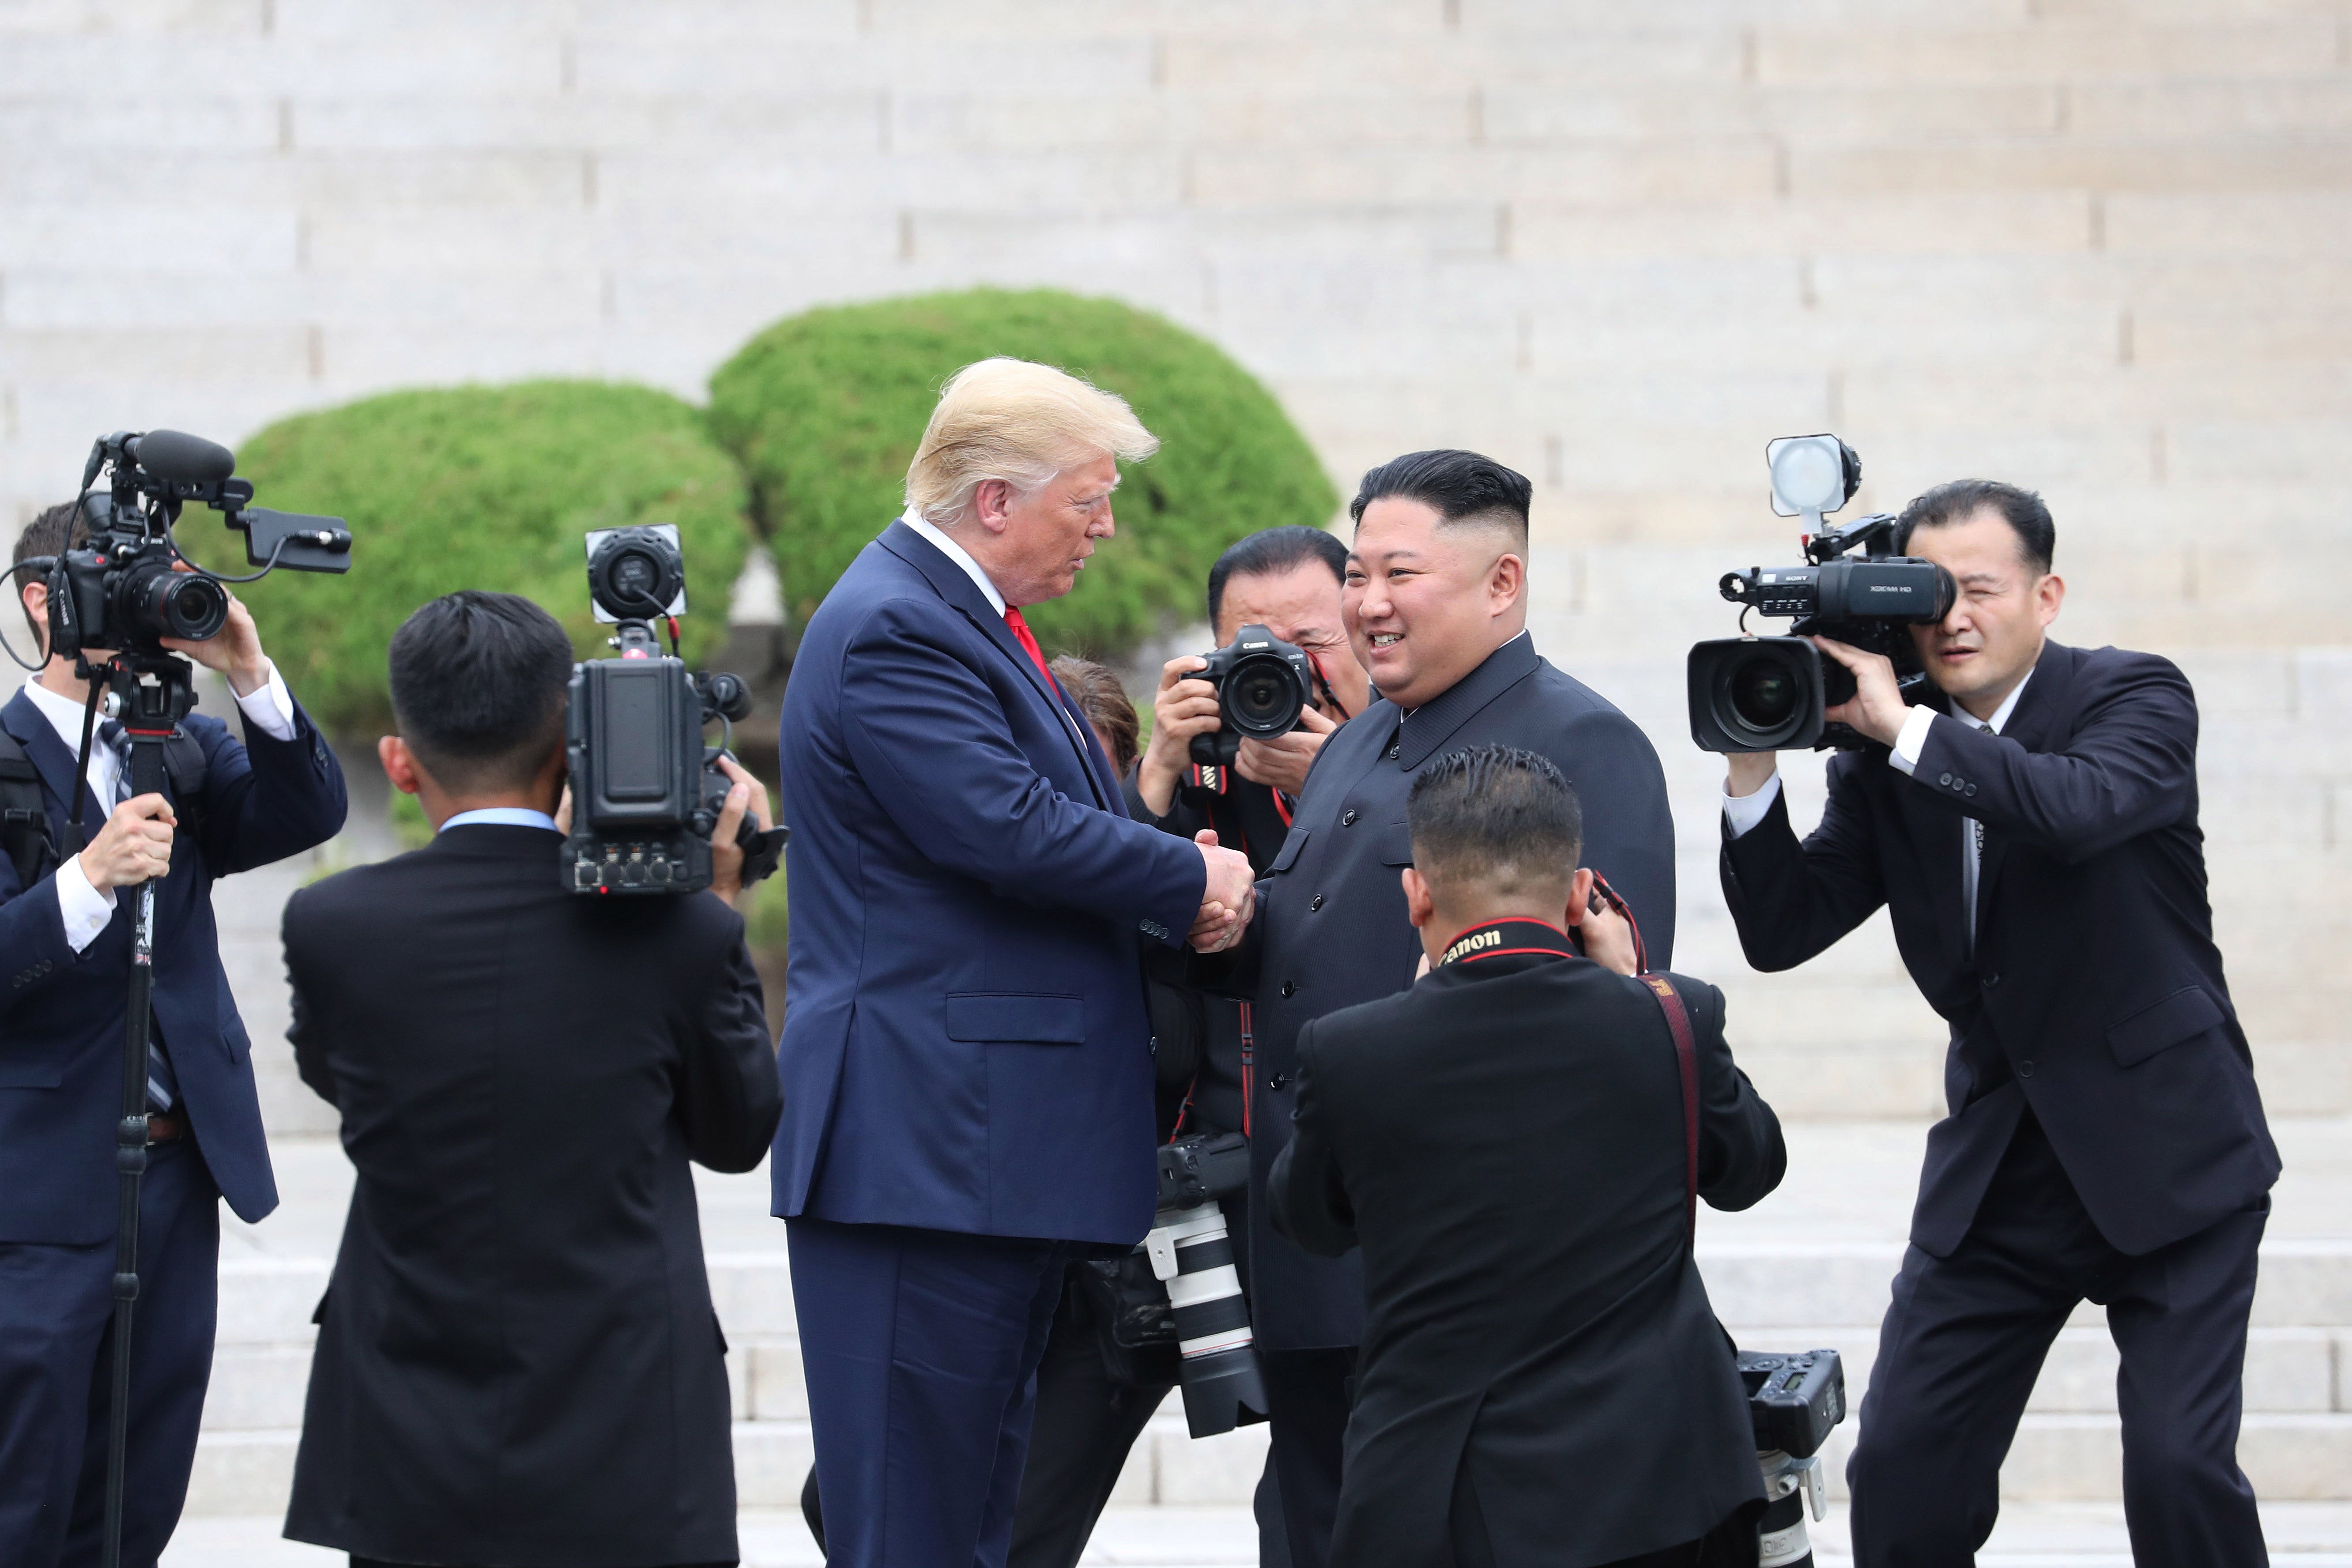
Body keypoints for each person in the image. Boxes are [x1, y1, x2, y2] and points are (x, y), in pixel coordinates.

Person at [1718, 480, 2279, 1567]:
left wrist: (1905, 728)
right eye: (1931, 594)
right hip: (2003, 1167)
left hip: (2170, 1148)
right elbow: (1783, 929)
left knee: (2179, 1473)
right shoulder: (1885, 759)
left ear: (2046, 596)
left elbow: (2077, 810)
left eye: (1979, 590)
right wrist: (1752, 760)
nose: (1953, 618)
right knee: (1902, 1470)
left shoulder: (2133, 695)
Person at [773, 358, 1258, 1568]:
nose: (1105, 530)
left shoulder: (956, 617)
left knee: (973, 1522)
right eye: (1087, 501)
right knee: (916, 1528)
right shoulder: (897, 625)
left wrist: (1173, 883)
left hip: (977, 1155)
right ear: (996, 501)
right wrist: (1186, 881)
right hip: (927, 1153)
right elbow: (1004, 827)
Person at [1201, 449, 1679, 1568]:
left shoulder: (1579, 740)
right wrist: (1225, 925)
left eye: (1398, 575)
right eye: (1357, 575)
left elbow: (1611, 1009)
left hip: (1460, 1284)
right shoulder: (1360, 736)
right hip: (1314, 1242)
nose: (1367, 604)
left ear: (1502, 583)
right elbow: (1312, 946)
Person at [278, 591, 782, 1568]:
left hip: (405, 1430)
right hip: (633, 1433)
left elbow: (348, 1084)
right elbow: (737, 1134)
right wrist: (718, 896)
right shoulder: (679, 933)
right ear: (570, 745)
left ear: (400, 762)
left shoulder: (334, 926)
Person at [1272, 744, 1783, 1568]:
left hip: (1444, 1491)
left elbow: (1306, 1220)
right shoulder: (1672, 1020)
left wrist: (1408, 1014)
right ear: (1579, 893)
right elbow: (1751, 1169)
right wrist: (1638, 984)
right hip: (1659, 1482)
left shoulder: (1350, 1052)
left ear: (1417, 893)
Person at [0, 499, 348, 1568]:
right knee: (26, 1486)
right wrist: (87, 879)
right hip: (35, 1187)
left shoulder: (183, 747)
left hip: (178, 1174)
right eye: (121, 587)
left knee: (142, 1480)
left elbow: (307, 813)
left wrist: (248, 670)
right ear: (43, 602)